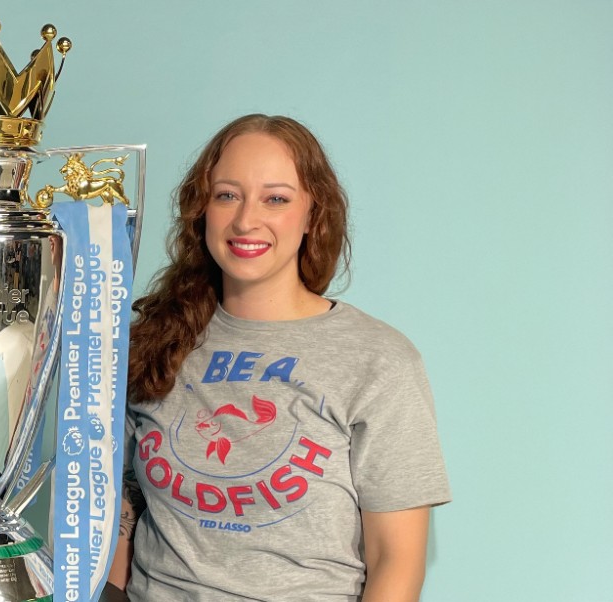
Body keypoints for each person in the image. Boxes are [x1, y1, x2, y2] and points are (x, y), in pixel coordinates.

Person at [110, 114, 450, 600]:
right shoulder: (153, 341)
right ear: (201, 209)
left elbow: (395, 560)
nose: (246, 220)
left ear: (314, 215)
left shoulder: (380, 360)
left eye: (276, 198)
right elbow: (116, 501)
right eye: (227, 194)